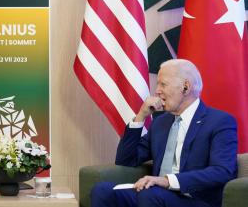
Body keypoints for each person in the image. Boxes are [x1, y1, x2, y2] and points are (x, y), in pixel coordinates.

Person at [91, 59, 238, 207]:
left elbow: (222, 171)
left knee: (150, 195)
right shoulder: (161, 123)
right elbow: (126, 159)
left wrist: (168, 181)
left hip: (193, 199)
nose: (157, 91)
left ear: (185, 87)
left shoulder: (220, 121)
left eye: (163, 84)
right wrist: (141, 116)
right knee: (102, 190)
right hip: (154, 196)